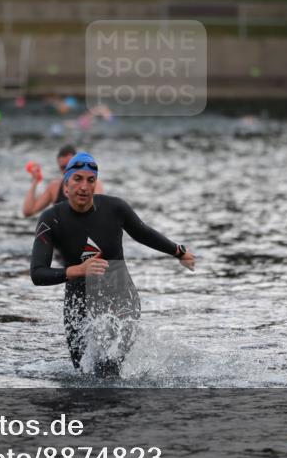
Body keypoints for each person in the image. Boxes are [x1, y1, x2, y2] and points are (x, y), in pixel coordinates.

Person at [30, 152, 195, 378]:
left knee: (109, 369)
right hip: (78, 301)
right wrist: (79, 270)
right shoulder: (52, 219)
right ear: (65, 186)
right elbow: (37, 273)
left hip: (120, 294)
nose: (84, 186)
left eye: (90, 180)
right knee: (83, 376)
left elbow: (143, 233)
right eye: (77, 179)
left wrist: (179, 251)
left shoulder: (115, 208)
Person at [22, 145, 104, 217]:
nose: (66, 170)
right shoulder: (54, 187)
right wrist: (35, 181)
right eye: (63, 167)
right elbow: (28, 212)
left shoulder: (94, 184)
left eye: (69, 166)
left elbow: (99, 211)